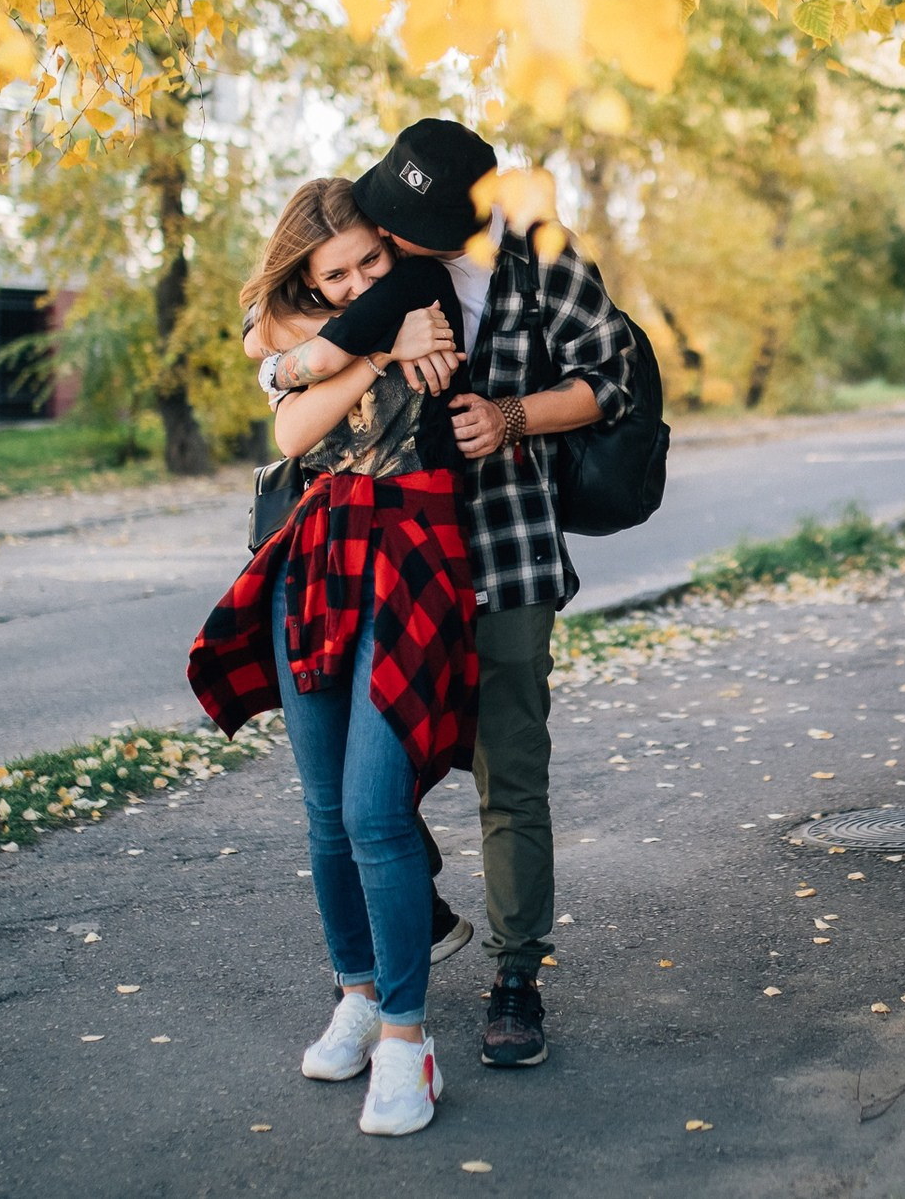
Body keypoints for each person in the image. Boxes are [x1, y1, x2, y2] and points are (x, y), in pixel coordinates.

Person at [261, 120, 632, 1070]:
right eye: (387, 220)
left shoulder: (541, 261)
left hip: (502, 552)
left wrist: (509, 418)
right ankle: (411, 905)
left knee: (508, 775)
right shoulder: (374, 266)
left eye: (410, 232)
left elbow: (613, 381)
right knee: (369, 774)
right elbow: (291, 360)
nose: (393, 244)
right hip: (385, 557)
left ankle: (516, 975)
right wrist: (306, 359)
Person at [188, 177, 477, 1137]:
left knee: (372, 809)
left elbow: (304, 384)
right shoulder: (310, 327)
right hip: (317, 558)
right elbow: (291, 429)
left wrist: (375, 339)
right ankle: (357, 991)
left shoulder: (427, 297)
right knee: (322, 811)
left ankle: (406, 1039)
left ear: (393, 250)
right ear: (307, 275)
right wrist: (373, 354)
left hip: (412, 556)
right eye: (335, 274)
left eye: (370, 264)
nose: (357, 285)